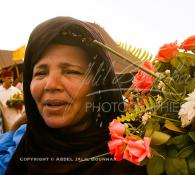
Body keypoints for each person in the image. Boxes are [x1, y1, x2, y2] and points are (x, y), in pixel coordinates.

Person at [2, 17, 146, 175]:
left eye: (71, 71)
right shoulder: (25, 148)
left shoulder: (127, 159)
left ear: (98, 84)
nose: (51, 85)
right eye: (41, 73)